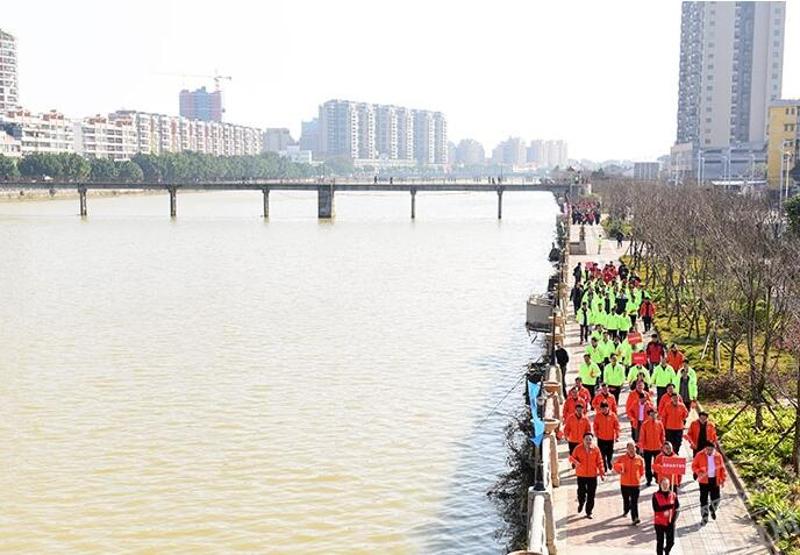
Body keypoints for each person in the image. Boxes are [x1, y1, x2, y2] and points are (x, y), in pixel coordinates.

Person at [569, 432, 605, 519]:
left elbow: (599, 461)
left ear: (592, 440)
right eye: (586, 439)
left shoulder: (596, 449)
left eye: (590, 439)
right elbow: (571, 458)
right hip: (581, 475)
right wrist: (576, 463)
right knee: (581, 492)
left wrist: (601, 473)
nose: (588, 441)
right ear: (583, 440)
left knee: (591, 494)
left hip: (592, 475)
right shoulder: (578, 448)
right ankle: (581, 503)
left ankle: (589, 512)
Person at [692, 443, 726, 524]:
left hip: (715, 480)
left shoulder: (718, 456)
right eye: (707, 449)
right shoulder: (699, 455)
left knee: (716, 499)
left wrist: (723, 479)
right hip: (704, 481)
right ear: (705, 448)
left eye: (711, 450)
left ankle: (712, 509)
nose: (709, 451)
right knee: (703, 500)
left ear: (714, 449)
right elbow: (694, 466)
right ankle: (704, 517)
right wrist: (698, 471)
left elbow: (722, 469)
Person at [613, 441, 645, 525]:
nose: (631, 450)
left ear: (635, 449)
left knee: (634, 502)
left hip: (635, 484)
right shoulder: (622, 458)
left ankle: (635, 518)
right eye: (629, 448)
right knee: (626, 499)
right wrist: (620, 470)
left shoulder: (639, 459)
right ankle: (626, 510)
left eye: (633, 448)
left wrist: (637, 478)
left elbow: (642, 472)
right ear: (626, 449)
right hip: (625, 484)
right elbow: (615, 466)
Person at [638, 408, 665, 487]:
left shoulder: (660, 424)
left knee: (658, 465)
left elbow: (662, 435)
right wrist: (641, 447)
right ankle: (649, 479)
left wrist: (663, 445)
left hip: (658, 448)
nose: (653, 416)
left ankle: (657, 478)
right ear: (649, 415)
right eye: (651, 414)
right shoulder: (645, 424)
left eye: (655, 414)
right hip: (647, 448)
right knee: (648, 465)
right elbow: (642, 437)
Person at [652, 477, 680, 555]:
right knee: (660, 542)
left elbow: (677, 507)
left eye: (666, 484)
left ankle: (667, 550)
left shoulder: (673, 495)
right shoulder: (655, 495)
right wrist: (669, 506)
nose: (665, 486)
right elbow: (656, 508)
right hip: (659, 523)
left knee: (671, 542)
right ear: (660, 485)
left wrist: (673, 520)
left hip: (670, 522)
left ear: (669, 485)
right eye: (663, 484)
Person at [593, 401, 620, 471]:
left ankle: (609, 461)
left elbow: (617, 426)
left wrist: (617, 434)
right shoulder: (598, 416)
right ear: (600, 409)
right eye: (602, 408)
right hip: (601, 438)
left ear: (608, 408)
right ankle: (604, 465)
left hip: (610, 438)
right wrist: (596, 433)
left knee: (609, 453)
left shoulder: (613, 415)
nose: (604, 410)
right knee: (602, 453)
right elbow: (595, 426)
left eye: (605, 408)